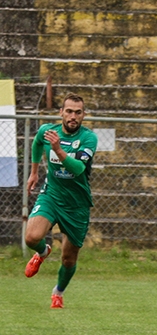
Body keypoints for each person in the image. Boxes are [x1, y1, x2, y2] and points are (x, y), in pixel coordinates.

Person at [24, 93, 98, 308]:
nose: (73, 116)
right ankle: (43, 251)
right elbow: (37, 143)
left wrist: (58, 150)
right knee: (31, 237)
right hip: (52, 195)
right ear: (61, 113)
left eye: (78, 112)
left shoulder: (88, 138)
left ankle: (58, 292)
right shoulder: (48, 131)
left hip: (77, 204)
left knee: (68, 258)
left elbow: (78, 169)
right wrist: (34, 172)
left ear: (83, 115)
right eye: (69, 111)